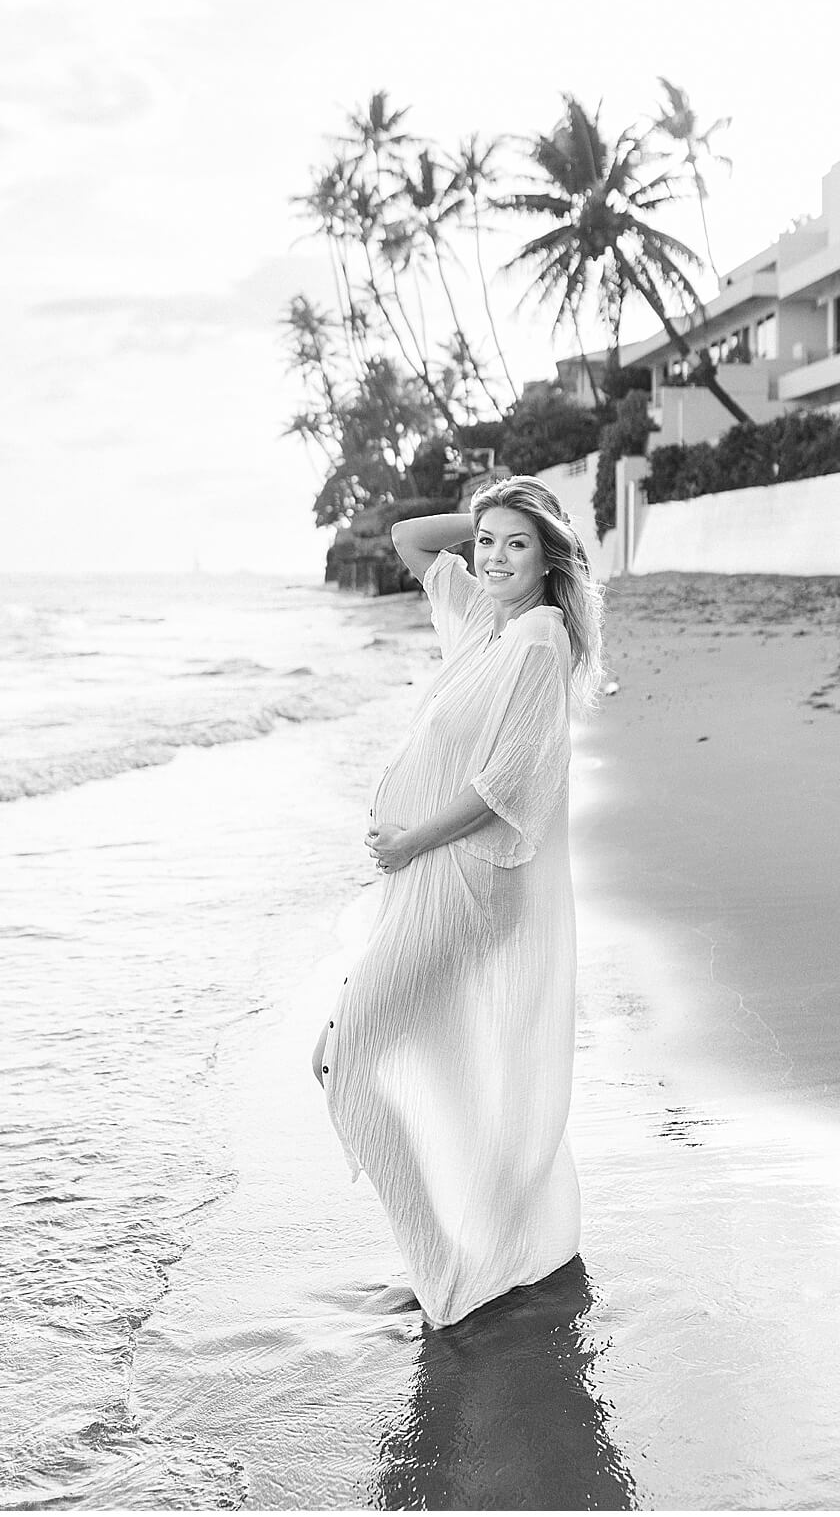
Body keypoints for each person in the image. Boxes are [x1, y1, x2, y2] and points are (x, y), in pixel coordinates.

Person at [313, 475, 604, 1329]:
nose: (494, 558)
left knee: (355, 1056)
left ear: (551, 562)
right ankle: (457, 1251)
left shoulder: (539, 646)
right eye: (487, 544)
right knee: (409, 1061)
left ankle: (445, 1268)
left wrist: (408, 841)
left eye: (519, 545)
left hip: (467, 883)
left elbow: (506, 790)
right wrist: (494, 513)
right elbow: (410, 539)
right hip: (436, 882)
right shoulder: (493, 625)